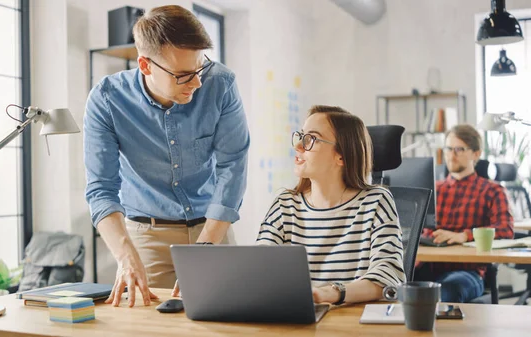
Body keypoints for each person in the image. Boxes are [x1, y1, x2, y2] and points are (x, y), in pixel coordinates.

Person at [84, 5, 250, 307]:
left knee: (229, 320)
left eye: (201, 68)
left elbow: (232, 166)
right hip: (146, 234)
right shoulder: (107, 99)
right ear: (145, 65)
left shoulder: (220, 84)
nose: (197, 82)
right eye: (184, 75)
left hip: (211, 227)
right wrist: (125, 254)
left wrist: (208, 242)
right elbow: (101, 189)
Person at [256, 105, 406, 305]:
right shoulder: (285, 203)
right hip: (297, 319)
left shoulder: (376, 201)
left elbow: (388, 277)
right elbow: (259, 265)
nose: (298, 146)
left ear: (341, 156)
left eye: (311, 139)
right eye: (300, 136)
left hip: (354, 323)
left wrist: (330, 293)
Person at [414, 124, 514, 303]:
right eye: (448, 148)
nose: (452, 154)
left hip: (467, 271)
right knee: (389, 285)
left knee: (447, 291)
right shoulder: (432, 190)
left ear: (476, 154)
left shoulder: (493, 190)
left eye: (459, 149)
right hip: (425, 266)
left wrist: (463, 236)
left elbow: (506, 230)